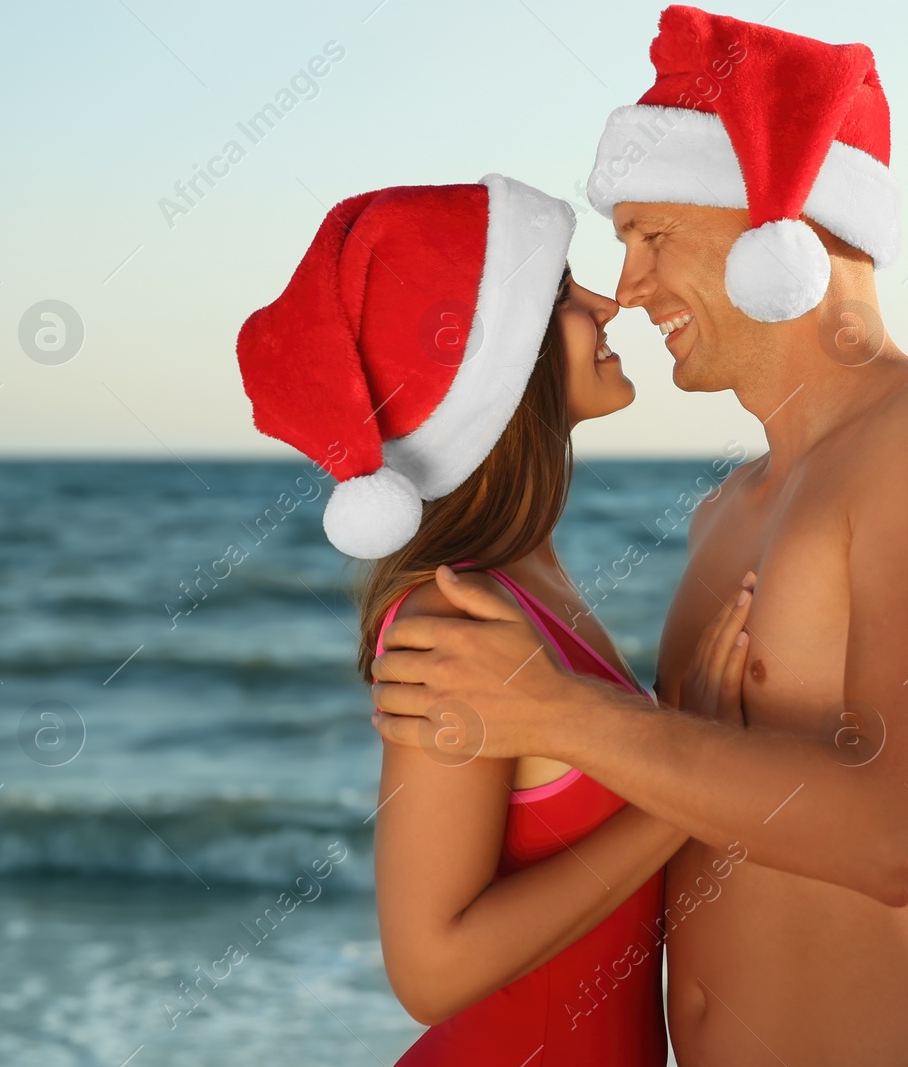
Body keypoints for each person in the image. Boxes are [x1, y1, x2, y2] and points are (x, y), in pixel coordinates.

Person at [370, 9, 908, 1066]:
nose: (632, 286)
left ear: (774, 223)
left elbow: (895, 836)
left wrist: (559, 711)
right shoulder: (725, 509)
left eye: (653, 234)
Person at [235, 175, 749, 1065]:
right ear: (491, 362)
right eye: (561, 295)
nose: (607, 301)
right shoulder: (455, 614)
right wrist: (685, 787)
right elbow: (429, 970)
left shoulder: (531, 582)